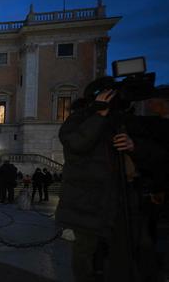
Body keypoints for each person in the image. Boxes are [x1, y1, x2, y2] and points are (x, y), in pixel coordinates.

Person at [57, 77, 166, 282]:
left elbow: (155, 152)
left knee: (132, 248)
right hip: (86, 203)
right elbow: (77, 144)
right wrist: (98, 115)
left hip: (119, 201)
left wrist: (134, 147)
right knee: (86, 254)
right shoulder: (78, 120)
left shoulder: (120, 121)